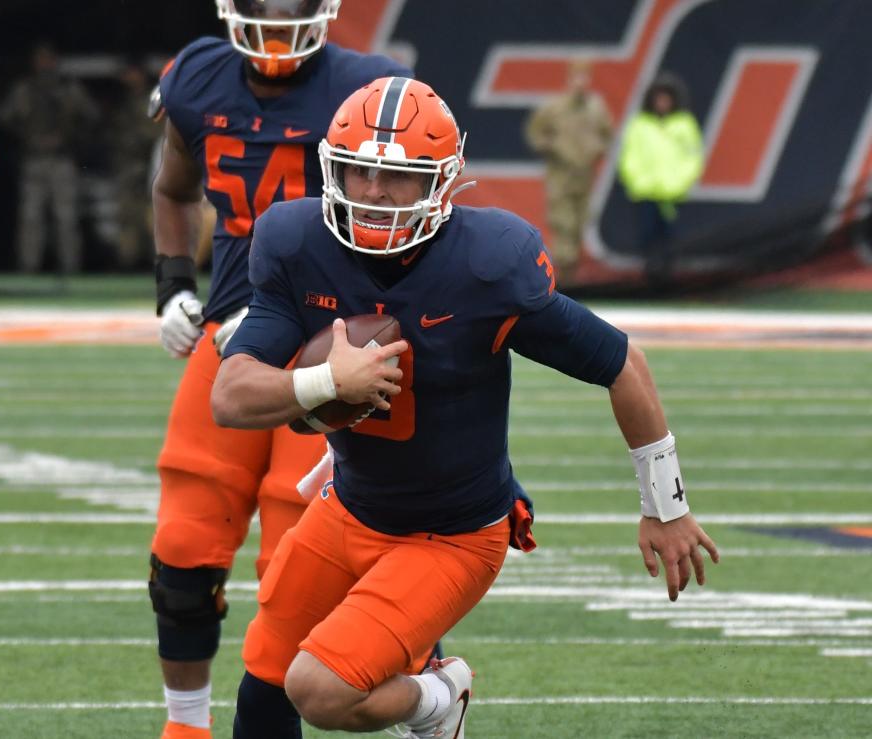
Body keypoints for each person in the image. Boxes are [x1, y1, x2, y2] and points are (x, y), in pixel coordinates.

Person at [212, 76, 720, 739]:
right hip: (350, 506)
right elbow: (230, 393)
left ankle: (438, 696)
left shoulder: (487, 267)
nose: (374, 192)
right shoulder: (298, 244)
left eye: (399, 178)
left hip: (451, 534)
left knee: (319, 689)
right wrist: (324, 383)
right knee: (265, 680)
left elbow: (622, 362)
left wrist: (667, 506)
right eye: (360, 170)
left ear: (444, 182)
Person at [147, 2, 410, 736]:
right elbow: (172, 190)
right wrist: (173, 282)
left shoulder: (367, 91)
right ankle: (186, 726)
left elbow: (416, 212)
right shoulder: (198, 76)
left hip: (327, 343)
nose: (278, 26)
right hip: (231, 340)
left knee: (298, 567)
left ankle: (429, 688)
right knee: (182, 551)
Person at [0, 41, 99, 274]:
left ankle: (70, 267)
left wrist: (71, 137)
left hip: (62, 159)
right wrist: (26, 137)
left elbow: (92, 117)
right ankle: (28, 267)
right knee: (30, 217)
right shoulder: (24, 89)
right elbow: (5, 119)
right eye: (40, 59)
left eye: (48, 58)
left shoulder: (69, 89)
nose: (44, 64)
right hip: (33, 159)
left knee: (66, 216)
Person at [525, 59, 613, 286]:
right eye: (576, 77)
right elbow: (536, 132)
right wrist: (551, 147)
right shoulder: (555, 108)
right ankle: (562, 279)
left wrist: (597, 149)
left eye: (584, 77)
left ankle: (572, 276)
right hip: (561, 175)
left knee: (579, 224)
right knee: (562, 223)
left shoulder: (596, 108)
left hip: (584, 175)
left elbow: (607, 133)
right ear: (568, 79)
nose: (580, 83)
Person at [618, 70, 704, 289]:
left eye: (666, 98)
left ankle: (669, 276)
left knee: (671, 237)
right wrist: (638, 181)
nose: (663, 103)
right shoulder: (640, 124)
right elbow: (629, 156)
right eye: (659, 98)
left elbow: (693, 157)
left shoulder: (684, 124)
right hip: (645, 192)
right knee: (647, 236)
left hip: (672, 194)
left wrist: (679, 183)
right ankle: (651, 276)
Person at [109, 60, 162, 271]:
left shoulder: (153, 98)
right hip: (127, 166)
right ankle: (127, 262)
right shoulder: (122, 101)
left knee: (155, 214)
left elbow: (157, 132)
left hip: (151, 163)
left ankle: (158, 262)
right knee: (127, 216)